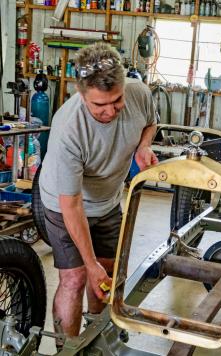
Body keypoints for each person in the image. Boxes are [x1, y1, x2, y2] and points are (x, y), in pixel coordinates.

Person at [39, 42, 158, 344]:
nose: (109, 112)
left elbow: (150, 123)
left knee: (106, 271)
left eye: (115, 101)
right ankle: (67, 348)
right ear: (81, 95)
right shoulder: (68, 128)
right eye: (98, 105)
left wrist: (143, 146)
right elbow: (72, 204)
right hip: (62, 204)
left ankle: (96, 337)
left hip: (107, 201)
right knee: (76, 277)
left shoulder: (138, 93)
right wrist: (87, 263)